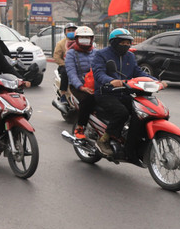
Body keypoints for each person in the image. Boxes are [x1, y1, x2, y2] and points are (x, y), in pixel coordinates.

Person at [90, 27, 166, 157]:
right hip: (105, 93)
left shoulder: (130, 56)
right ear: (114, 42)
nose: (126, 45)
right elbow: (98, 73)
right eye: (122, 42)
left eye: (128, 42)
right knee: (122, 112)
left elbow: (138, 72)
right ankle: (104, 140)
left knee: (142, 112)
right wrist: (111, 81)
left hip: (124, 92)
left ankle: (132, 142)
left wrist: (156, 81)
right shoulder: (101, 54)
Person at [64, 26, 96, 140]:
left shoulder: (96, 52)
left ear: (92, 39)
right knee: (88, 99)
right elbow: (71, 73)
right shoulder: (71, 53)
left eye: (87, 37)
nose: (85, 39)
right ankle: (80, 127)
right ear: (77, 39)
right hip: (78, 86)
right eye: (82, 37)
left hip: (95, 84)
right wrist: (81, 87)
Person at [53, 23, 78, 106]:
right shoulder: (61, 43)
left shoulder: (79, 42)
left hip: (79, 65)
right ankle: (63, 94)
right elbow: (56, 57)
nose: (71, 32)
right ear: (65, 32)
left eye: (73, 30)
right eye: (69, 30)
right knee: (65, 72)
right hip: (65, 66)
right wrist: (66, 64)